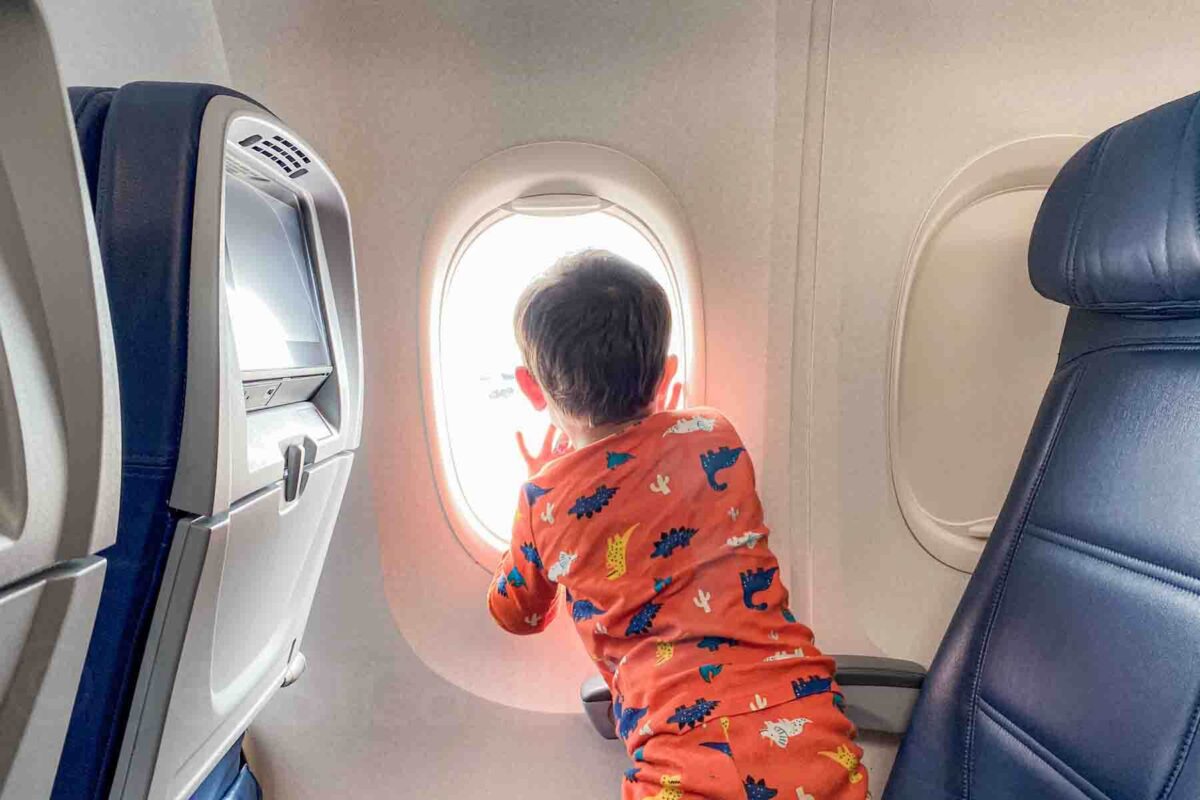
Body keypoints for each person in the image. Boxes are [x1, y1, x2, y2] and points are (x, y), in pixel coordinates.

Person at [487, 249, 868, 800]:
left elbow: (515, 614)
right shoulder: (716, 433)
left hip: (680, 761)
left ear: (530, 388)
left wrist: (539, 498)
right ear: (668, 375)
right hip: (810, 726)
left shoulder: (543, 501)